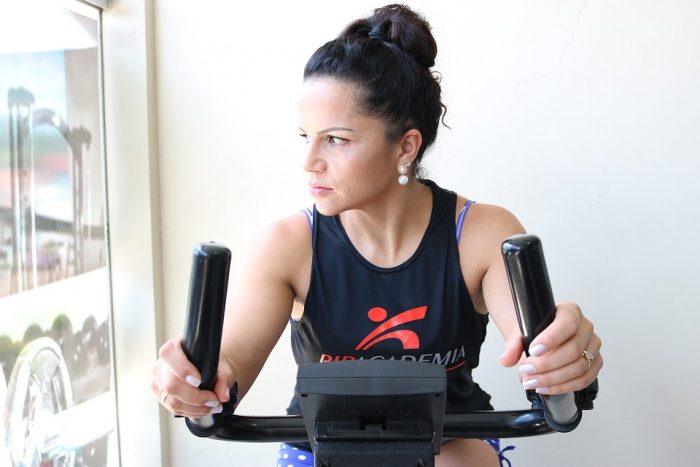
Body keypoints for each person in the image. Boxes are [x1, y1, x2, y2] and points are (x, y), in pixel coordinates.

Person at [151, 4, 603, 466]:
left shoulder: (481, 233)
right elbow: (230, 365)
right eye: (305, 135)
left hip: (450, 443)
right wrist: (196, 378)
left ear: (405, 146)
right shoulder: (289, 245)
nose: (309, 161)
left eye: (336, 140)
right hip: (321, 448)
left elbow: (540, 348)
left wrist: (564, 356)